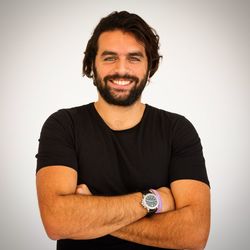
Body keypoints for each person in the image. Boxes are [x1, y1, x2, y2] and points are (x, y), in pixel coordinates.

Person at [36, 11, 210, 250]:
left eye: (134, 58)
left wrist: (89, 214)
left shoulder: (178, 130)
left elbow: (194, 235)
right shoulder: (64, 125)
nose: (121, 69)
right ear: (91, 65)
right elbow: (57, 222)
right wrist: (154, 201)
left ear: (150, 68)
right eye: (109, 58)